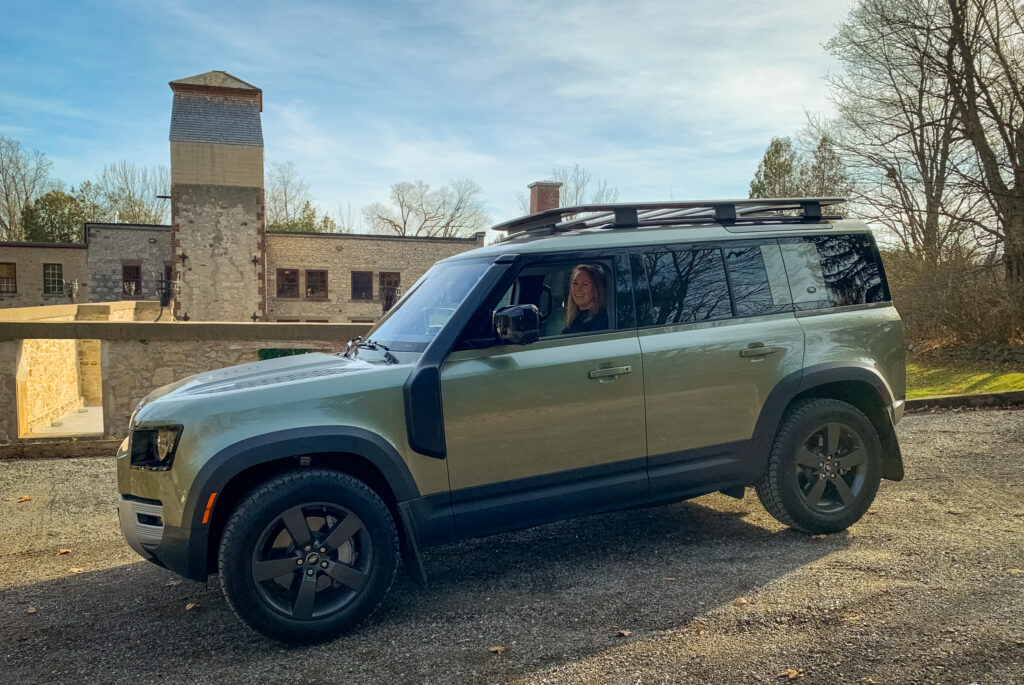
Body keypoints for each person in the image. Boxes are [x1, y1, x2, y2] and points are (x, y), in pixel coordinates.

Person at [562, 263, 609, 334]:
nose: (578, 289)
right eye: (575, 283)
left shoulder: (600, 319)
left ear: (595, 289)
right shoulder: (574, 318)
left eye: (585, 284)